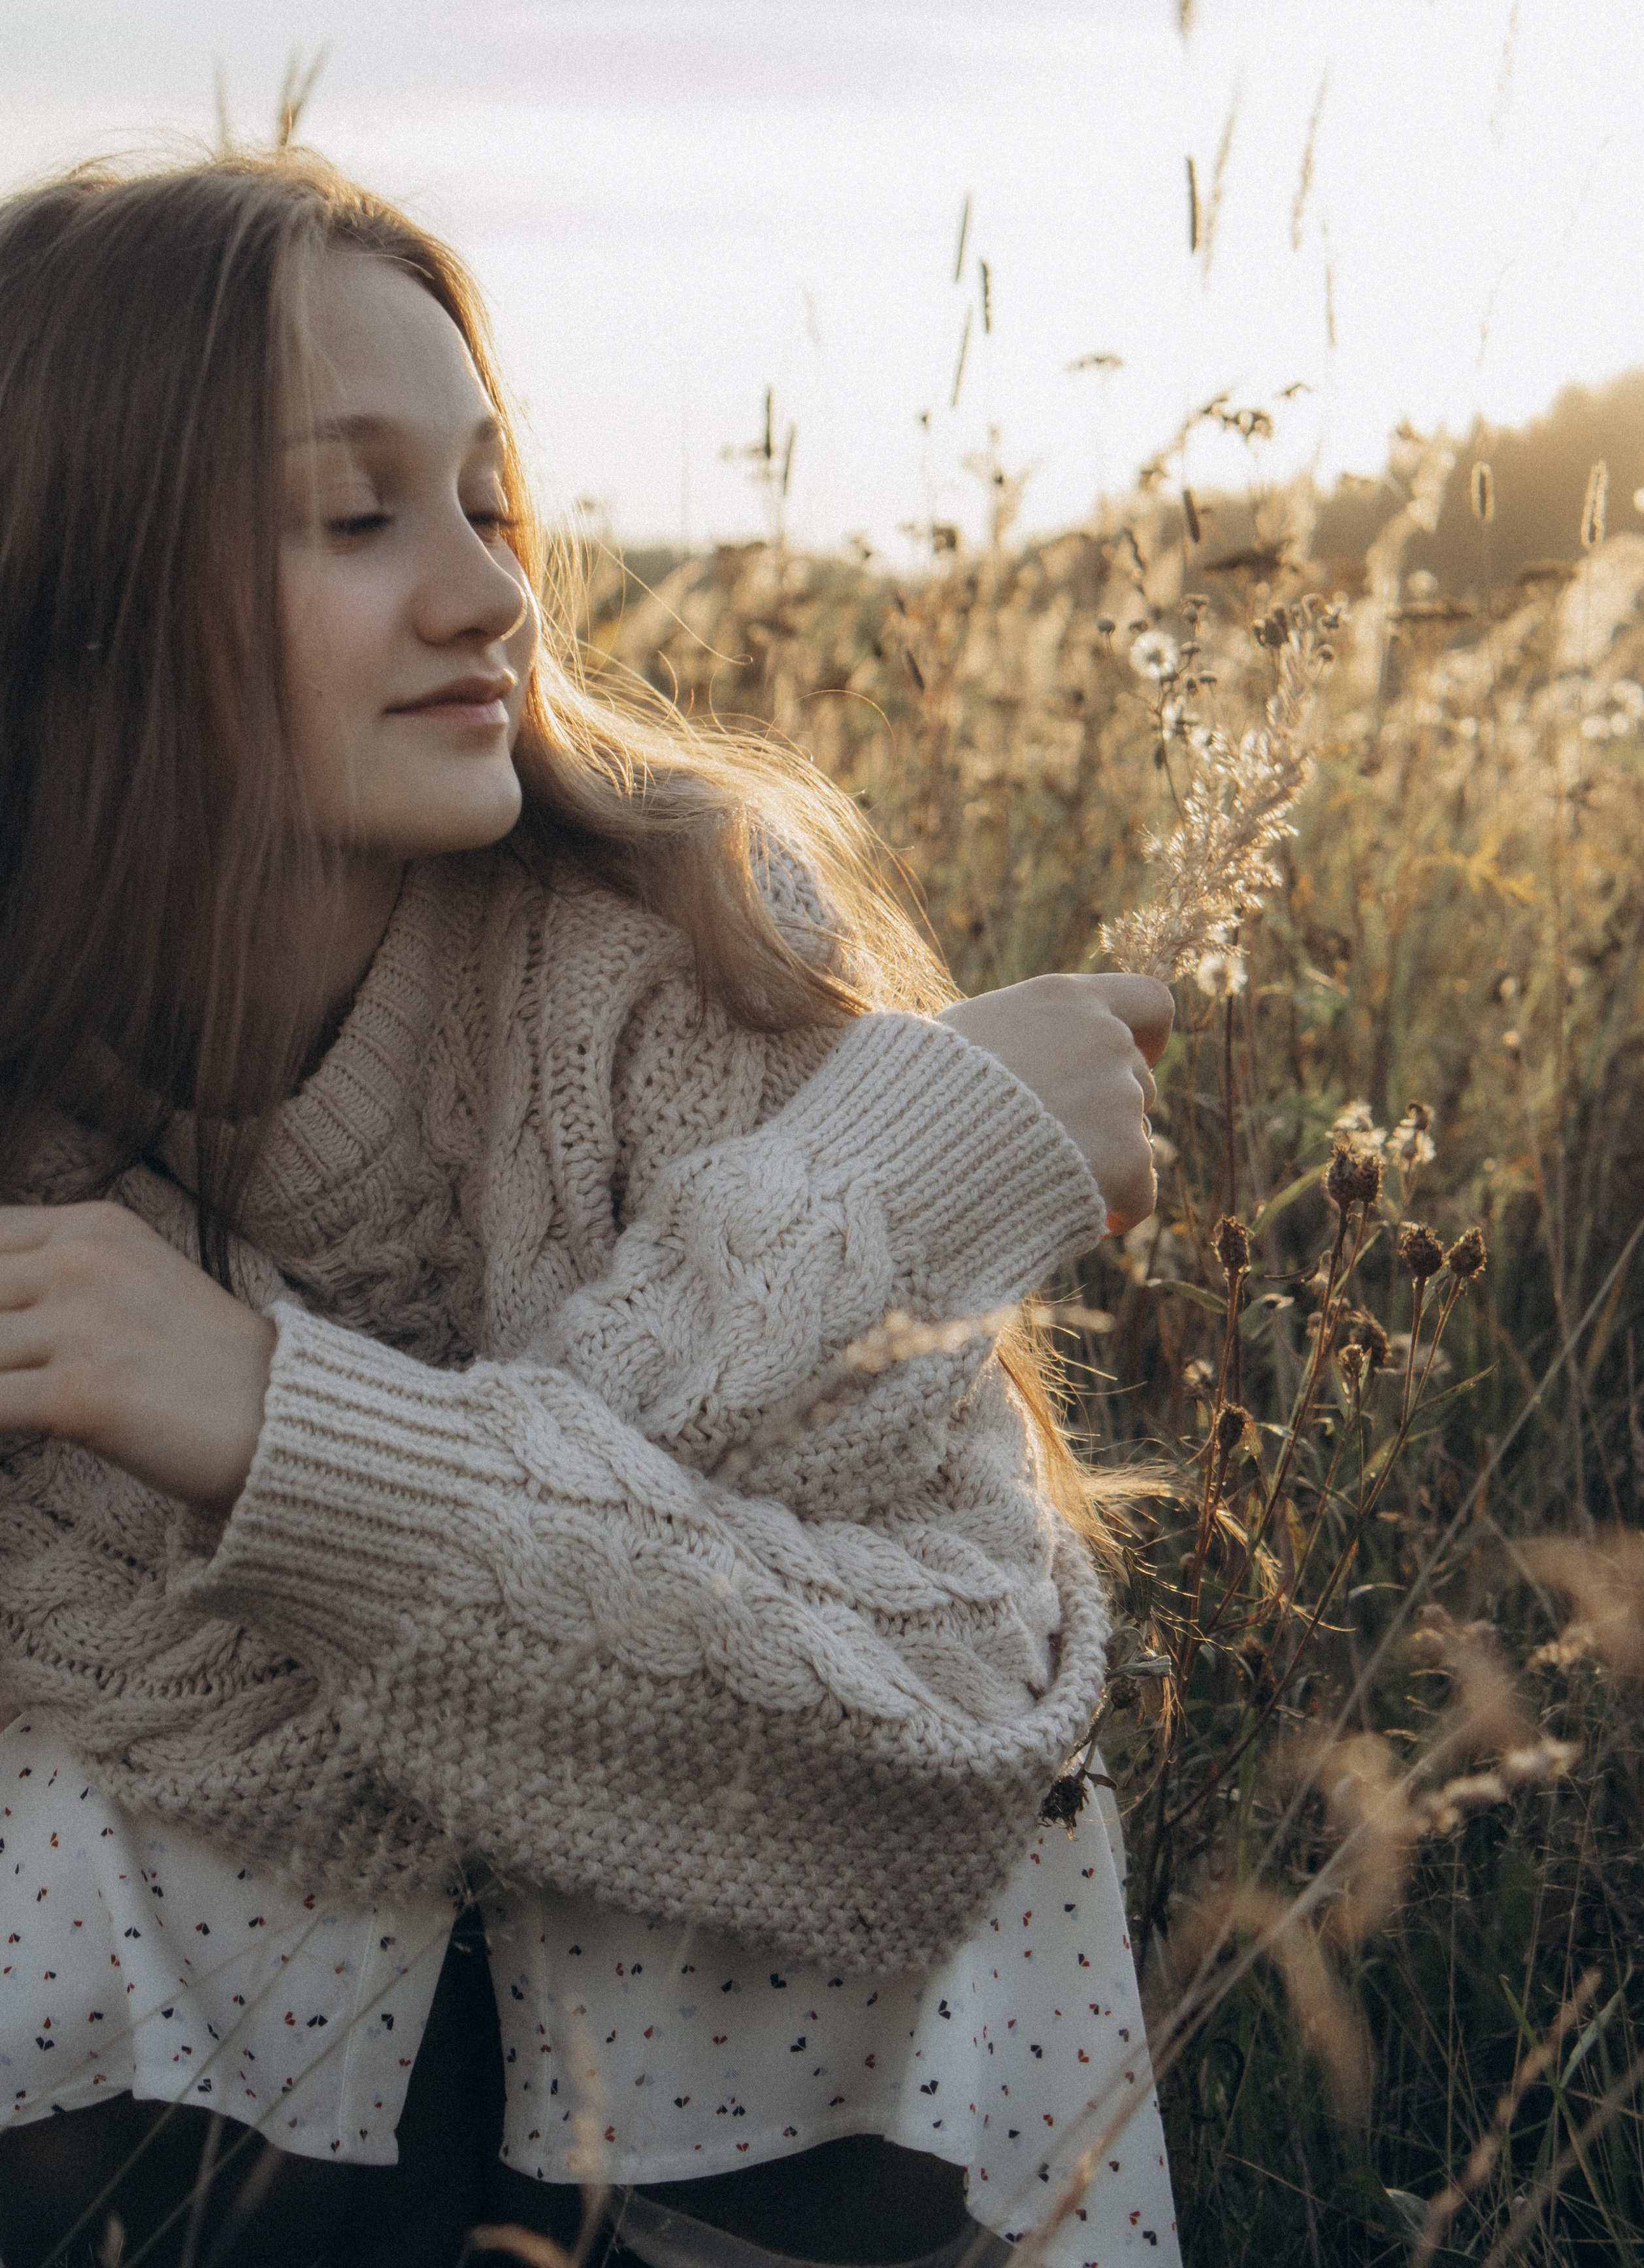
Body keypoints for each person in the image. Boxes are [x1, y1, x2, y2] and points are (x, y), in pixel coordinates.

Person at [0, 153, 1179, 2268]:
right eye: (355, 517)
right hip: (287, 2144)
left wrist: (287, 1440)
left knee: (740, 1829)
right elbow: (335, 1781)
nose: (488, 598)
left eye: (491, 506)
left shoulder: (687, 959)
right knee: (58, 1827)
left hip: (704, 2117)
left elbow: (959, 1716)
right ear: (70, 588)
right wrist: (860, 1229)